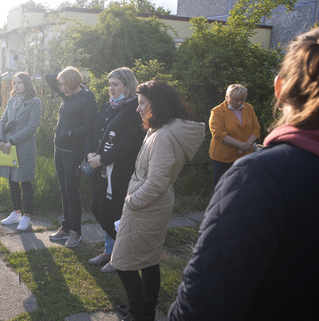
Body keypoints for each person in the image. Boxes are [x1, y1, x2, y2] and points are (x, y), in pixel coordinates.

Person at [168, 26, 319, 321]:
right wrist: (244, 145)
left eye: (240, 98)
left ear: (280, 88)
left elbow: (202, 308)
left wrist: (250, 145)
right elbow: (217, 133)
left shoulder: (262, 178)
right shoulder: (219, 112)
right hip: (226, 155)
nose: (237, 102)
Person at [112, 81, 205, 321]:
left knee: (123, 262)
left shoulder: (163, 136)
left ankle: (139, 314)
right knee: (148, 259)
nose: (137, 108)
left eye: (142, 103)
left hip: (147, 205)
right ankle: (145, 311)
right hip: (151, 205)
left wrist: (131, 201)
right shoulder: (161, 129)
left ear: (157, 104)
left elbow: (156, 183)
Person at [84, 67, 145, 273]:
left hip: (119, 172)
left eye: (115, 84)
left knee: (115, 214)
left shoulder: (134, 110)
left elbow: (129, 143)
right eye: (109, 84)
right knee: (97, 207)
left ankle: (119, 256)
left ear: (127, 86)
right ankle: (111, 252)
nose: (111, 88)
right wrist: (90, 154)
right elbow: (93, 132)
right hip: (98, 169)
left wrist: (103, 159)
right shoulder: (108, 106)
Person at [45, 66, 97, 248]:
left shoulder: (87, 97)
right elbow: (48, 76)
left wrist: (68, 135)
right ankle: (65, 227)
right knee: (63, 189)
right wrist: (65, 77)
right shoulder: (66, 94)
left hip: (73, 152)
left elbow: (89, 126)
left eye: (66, 84)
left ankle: (76, 232)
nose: (62, 88)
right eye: (61, 84)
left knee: (72, 191)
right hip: (58, 149)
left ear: (75, 83)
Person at [0, 72, 42, 231]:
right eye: (15, 82)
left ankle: (27, 217)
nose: (16, 85)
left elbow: (32, 127)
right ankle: (16, 213)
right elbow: (2, 122)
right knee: (12, 179)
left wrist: (11, 141)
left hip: (23, 147)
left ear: (27, 84)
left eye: (20, 82)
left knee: (25, 181)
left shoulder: (35, 102)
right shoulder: (11, 100)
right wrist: (1, 140)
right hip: (7, 146)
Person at [208, 84, 260, 188]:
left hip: (245, 154)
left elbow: (256, 128)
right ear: (227, 97)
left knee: (243, 185)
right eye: (236, 100)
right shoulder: (217, 111)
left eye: (242, 99)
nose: (239, 103)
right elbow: (218, 134)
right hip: (223, 157)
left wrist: (247, 145)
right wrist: (241, 145)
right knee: (222, 186)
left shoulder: (248, 108)